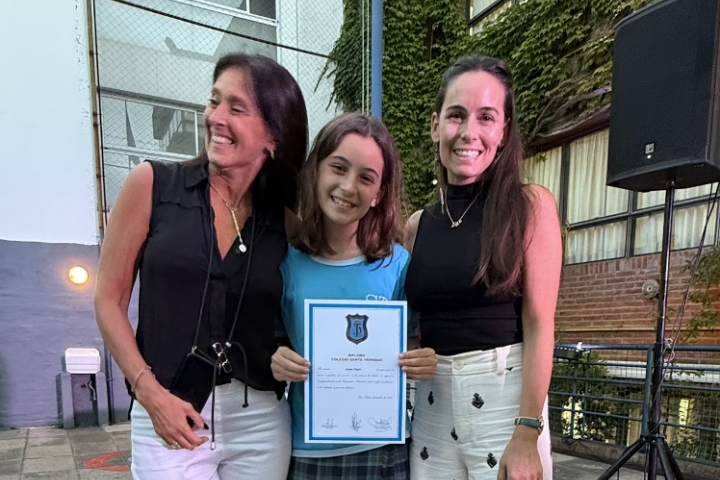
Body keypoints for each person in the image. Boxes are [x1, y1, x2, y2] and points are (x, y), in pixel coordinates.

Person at [94, 53, 308, 479]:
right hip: (169, 411)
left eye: (236, 108)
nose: (215, 117)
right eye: (214, 101)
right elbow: (108, 301)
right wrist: (150, 396)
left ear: (274, 136)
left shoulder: (286, 223)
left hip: (260, 421)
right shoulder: (151, 185)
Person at [404, 54, 562, 480]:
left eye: (486, 117)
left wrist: (527, 430)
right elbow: (410, 326)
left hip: (506, 404)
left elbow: (540, 323)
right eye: (456, 115)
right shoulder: (416, 226)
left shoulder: (530, 207)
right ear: (435, 125)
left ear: (503, 130)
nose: (468, 132)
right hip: (431, 405)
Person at [270, 112, 438, 479]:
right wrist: (277, 359)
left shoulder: (397, 264)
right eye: (338, 167)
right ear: (316, 171)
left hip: (382, 449)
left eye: (366, 177)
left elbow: (413, 340)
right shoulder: (286, 263)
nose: (348, 186)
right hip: (308, 450)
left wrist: (424, 359)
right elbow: (275, 341)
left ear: (379, 194)